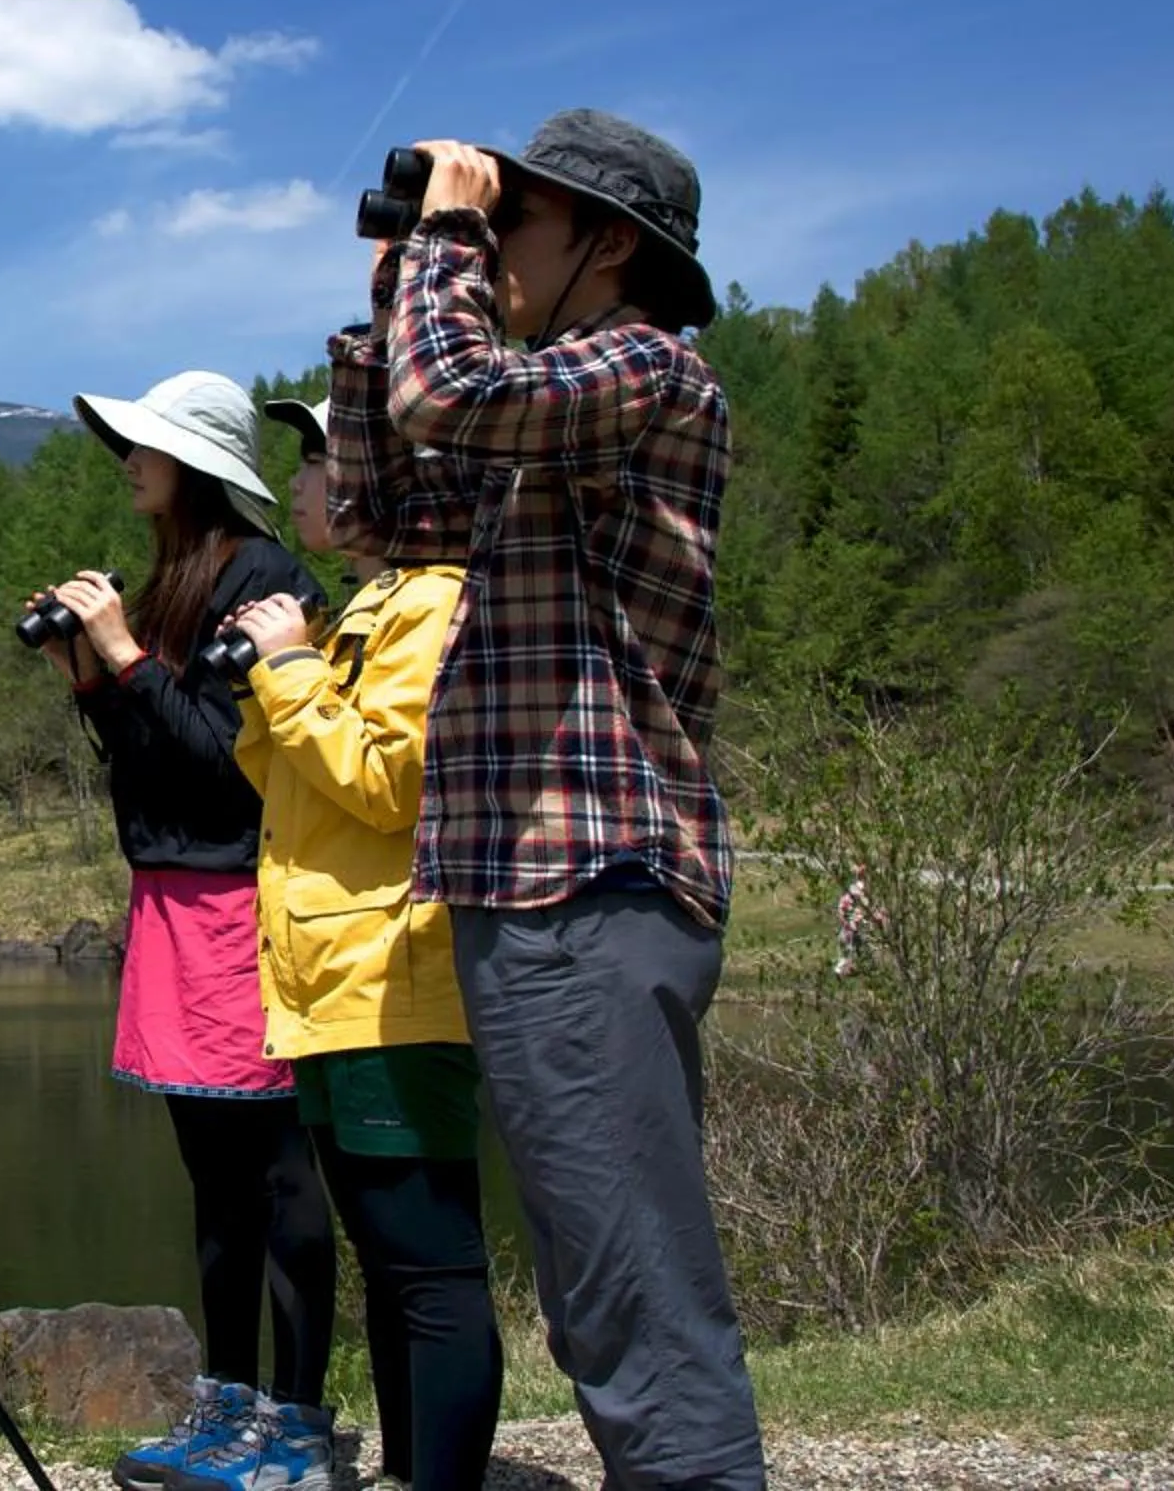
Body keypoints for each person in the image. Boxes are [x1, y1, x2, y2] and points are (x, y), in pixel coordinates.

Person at [357, 108, 766, 1488]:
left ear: (607, 241)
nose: (491, 244)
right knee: (607, 1285)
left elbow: (446, 399)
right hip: (535, 888)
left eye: (517, 220)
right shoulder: (554, 417)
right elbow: (386, 508)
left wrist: (448, 246)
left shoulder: (650, 372)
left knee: (635, 1299)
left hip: (590, 881)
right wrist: (400, 285)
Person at [33, 371, 343, 1491]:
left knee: (272, 1173)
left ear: (197, 465)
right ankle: (227, 1407)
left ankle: (300, 1426)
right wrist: (91, 677)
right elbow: (153, 755)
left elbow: (226, 765)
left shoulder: (264, 579)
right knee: (210, 1177)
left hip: (236, 901)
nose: (127, 460)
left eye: (144, 446)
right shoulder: (180, 579)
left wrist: (122, 654)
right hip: (170, 898)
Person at [220, 395, 503, 1491]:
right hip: (331, 979)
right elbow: (294, 781)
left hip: (397, 976)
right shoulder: (364, 607)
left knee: (428, 1267)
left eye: (318, 459)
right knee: (388, 1266)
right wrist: (271, 676)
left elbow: (389, 783)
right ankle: (407, 1468)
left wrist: (289, 670)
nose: (297, 483)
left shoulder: (434, 603)